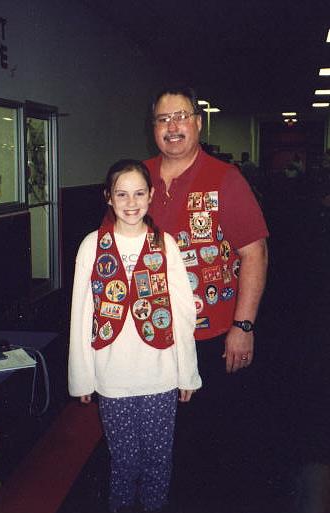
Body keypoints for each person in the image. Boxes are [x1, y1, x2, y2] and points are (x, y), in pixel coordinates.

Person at [144, 85, 269, 505]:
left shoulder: (225, 179)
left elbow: (255, 252)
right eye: (163, 119)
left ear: (197, 123)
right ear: (154, 129)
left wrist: (243, 325)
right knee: (160, 444)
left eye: (181, 117)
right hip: (153, 340)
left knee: (213, 445)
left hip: (211, 338)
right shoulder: (135, 180)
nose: (172, 127)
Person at [68, 159, 201, 513]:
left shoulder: (166, 244)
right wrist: (82, 378)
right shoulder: (92, 245)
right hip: (112, 377)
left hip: (161, 375)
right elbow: (81, 316)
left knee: (159, 459)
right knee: (124, 461)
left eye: (139, 193)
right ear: (108, 197)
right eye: (121, 194)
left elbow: (184, 312)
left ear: (151, 195)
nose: (131, 202)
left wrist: (187, 371)